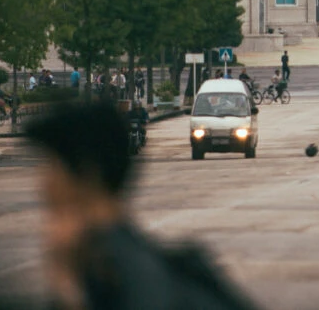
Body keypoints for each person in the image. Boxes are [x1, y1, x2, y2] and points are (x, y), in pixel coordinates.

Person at [26, 102, 257, 310]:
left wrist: (64, 282)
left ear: (87, 171)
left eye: (49, 165)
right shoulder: (137, 259)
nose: (41, 180)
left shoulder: (119, 269)